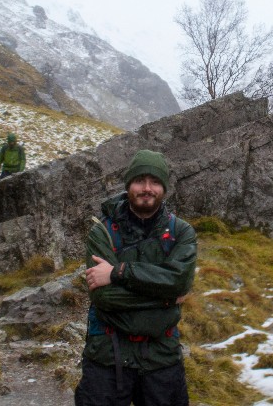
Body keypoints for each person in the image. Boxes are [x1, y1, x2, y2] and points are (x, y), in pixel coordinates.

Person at [75, 149, 197, 406]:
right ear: (128, 184)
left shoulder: (181, 232)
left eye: (154, 182)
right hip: (107, 355)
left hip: (161, 356)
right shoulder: (103, 232)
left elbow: (179, 282)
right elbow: (105, 297)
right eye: (140, 181)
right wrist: (165, 299)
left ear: (164, 188)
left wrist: (118, 272)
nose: (147, 188)